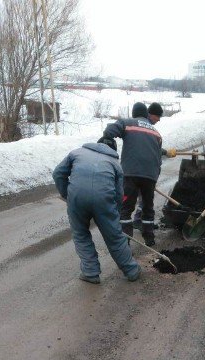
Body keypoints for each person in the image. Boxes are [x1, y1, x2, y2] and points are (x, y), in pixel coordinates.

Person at [52, 137, 141, 284]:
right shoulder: (115, 164)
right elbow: (119, 194)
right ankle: (131, 270)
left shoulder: (76, 153)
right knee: (114, 237)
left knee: (81, 234)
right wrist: (115, 213)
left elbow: (58, 174)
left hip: (77, 198)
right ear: (113, 150)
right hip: (104, 201)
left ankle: (90, 272)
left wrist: (66, 194)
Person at [102, 102, 174, 247]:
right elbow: (157, 154)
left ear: (134, 113)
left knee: (126, 208)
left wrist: (108, 139)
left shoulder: (127, 123)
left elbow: (110, 130)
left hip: (130, 174)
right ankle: (149, 238)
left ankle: (126, 240)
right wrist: (154, 176)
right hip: (150, 176)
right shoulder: (156, 133)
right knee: (148, 207)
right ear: (146, 114)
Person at [132, 102, 176, 230]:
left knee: (143, 198)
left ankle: (139, 220)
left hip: (147, 168)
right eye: (158, 116)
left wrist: (164, 152)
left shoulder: (147, 128)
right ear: (150, 115)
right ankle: (140, 221)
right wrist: (165, 152)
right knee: (145, 198)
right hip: (144, 170)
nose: (159, 120)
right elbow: (151, 149)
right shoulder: (145, 128)